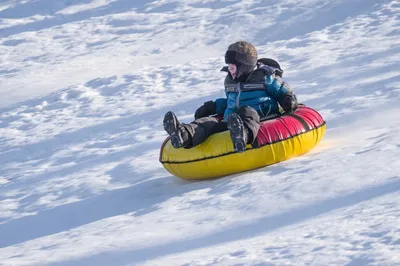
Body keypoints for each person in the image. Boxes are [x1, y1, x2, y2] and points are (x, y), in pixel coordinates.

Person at [163, 41, 298, 152]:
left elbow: (282, 90)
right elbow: (231, 102)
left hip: (260, 116)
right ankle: (184, 134)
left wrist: (288, 99)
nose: (230, 71)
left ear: (244, 66)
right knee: (209, 123)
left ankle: (243, 134)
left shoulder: (265, 77)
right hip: (232, 120)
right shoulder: (230, 81)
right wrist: (213, 106)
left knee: (247, 111)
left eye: (232, 67)